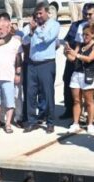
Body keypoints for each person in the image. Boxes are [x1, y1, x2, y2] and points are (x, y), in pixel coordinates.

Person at [22, 3, 60, 133]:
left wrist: (36, 30)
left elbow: (48, 39)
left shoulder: (54, 25)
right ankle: (32, 121)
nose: (38, 16)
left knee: (47, 93)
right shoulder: (31, 26)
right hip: (32, 64)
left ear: (47, 13)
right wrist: (31, 32)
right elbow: (25, 41)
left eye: (40, 13)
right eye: (36, 14)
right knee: (30, 93)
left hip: (46, 64)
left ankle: (50, 122)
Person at [65, 23, 94, 134]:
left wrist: (76, 55)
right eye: (83, 34)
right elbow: (72, 58)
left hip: (88, 74)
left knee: (89, 101)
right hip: (77, 73)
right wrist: (67, 53)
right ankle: (75, 123)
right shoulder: (80, 45)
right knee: (76, 100)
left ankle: (90, 124)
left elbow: (90, 59)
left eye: (87, 35)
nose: (84, 37)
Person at [0, 13, 21, 134]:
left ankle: (8, 123)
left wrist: (18, 73)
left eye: (1, 29)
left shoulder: (15, 42)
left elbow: (19, 59)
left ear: (8, 28)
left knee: (9, 101)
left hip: (8, 76)